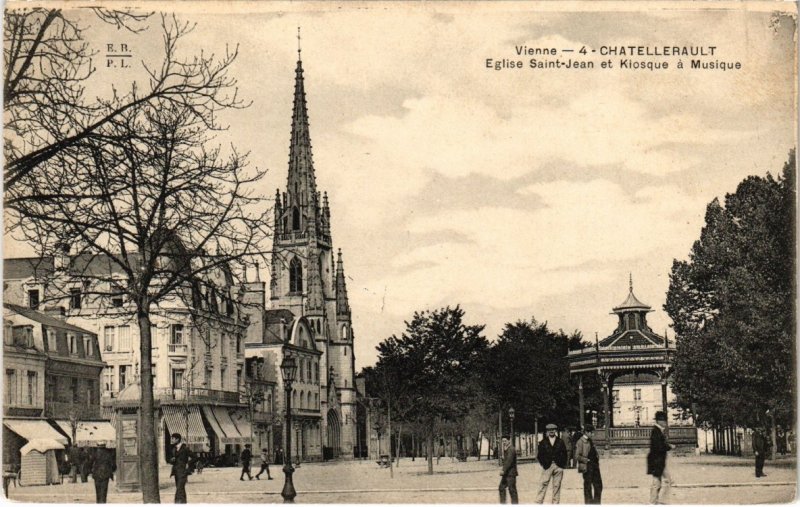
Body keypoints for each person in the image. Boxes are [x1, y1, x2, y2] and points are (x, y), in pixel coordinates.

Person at [536, 423, 568, 504]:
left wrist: (562, 465)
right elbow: (540, 455)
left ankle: (555, 503)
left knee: (557, 486)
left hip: (558, 466)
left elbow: (565, 454)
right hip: (547, 466)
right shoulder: (543, 442)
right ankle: (539, 502)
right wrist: (543, 464)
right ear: (547, 431)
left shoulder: (560, 442)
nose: (551, 432)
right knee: (543, 484)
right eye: (550, 430)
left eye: (553, 430)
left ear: (555, 431)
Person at [647, 411, 673, 504]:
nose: (665, 423)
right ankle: (657, 501)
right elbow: (659, 447)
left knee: (658, 482)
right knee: (664, 482)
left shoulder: (657, 431)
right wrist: (669, 446)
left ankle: (655, 501)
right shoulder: (656, 431)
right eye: (664, 421)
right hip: (657, 461)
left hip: (658, 461)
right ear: (659, 421)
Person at [576, 425, 602, 504]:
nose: (592, 434)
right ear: (587, 432)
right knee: (588, 487)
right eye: (591, 432)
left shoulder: (590, 441)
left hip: (595, 466)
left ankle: (596, 503)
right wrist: (586, 460)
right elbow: (577, 456)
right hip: (587, 466)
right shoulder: (580, 442)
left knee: (599, 485)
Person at [169, 433, 195, 504]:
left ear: (177, 439)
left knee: (179, 489)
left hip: (183, 472)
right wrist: (172, 460)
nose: (172, 440)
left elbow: (195, 457)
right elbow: (171, 460)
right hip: (176, 472)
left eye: (173, 439)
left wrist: (188, 464)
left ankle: (177, 503)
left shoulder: (185, 448)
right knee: (181, 489)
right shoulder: (173, 448)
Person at [498, 434, 518, 504]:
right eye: (502, 441)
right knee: (501, 487)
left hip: (511, 474)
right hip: (507, 473)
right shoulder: (506, 449)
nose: (504, 442)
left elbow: (509, 461)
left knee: (512, 490)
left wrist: (503, 470)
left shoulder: (511, 449)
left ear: (509, 441)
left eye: (505, 441)